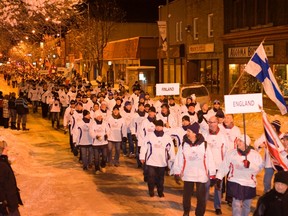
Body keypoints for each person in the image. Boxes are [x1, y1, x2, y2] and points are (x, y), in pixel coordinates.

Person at [172, 122, 216, 216]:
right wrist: (177, 172)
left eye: (189, 131)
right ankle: (186, 212)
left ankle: (199, 214)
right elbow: (179, 159)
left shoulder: (204, 145)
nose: (187, 132)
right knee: (186, 197)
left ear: (195, 133)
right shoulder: (183, 145)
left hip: (201, 175)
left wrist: (212, 175)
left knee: (201, 198)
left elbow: (210, 160)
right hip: (188, 175)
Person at [216, 134, 264, 216]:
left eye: (240, 141)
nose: (238, 142)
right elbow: (224, 166)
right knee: (236, 205)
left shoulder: (255, 155)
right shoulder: (231, 153)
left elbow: (259, 168)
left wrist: (250, 165)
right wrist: (219, 177)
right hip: (235, 181)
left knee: (246, 205)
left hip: (249, 183)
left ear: (246, 143)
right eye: (238, 140)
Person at [140, 120, 175, 197]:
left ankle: (160, 192)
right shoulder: (149, 136)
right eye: (157, 126)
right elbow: (144, 146)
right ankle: (151, 191)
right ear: (155, 127)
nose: (158, 127)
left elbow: (171, 149)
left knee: (160, 179)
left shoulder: (167, 137)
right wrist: (142, 156)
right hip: (151, 161)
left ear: (163, 127)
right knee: (151, 177)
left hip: (162, 162)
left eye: (160, 126)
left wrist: (172, 158)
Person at [203, 116, 228, 215]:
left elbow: (226, 151)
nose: (211, 124)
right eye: (209, 122)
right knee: (205, 186)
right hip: (208, 166)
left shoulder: (223, 136)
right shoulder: (204, 135)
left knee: (218, 188)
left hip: (219, 166)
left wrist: (225, 165)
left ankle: (217, 207)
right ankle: (203, 205)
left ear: (217, 123)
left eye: (213, 122)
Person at [254, 120, 284, 193]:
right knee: (267, 180)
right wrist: (261, 145)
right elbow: (256, 143)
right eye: (271, 126)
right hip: (269, 162)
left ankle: (277, 194)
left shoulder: (283, 136)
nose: (272, 128)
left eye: (274, 127)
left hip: (279, 163)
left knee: (279, 180)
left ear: (277, 128)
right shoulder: (266, 135)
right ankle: (267, 194)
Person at [0, 140, 23, 216]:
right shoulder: (2, 165)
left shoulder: (4, 162)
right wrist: (2, 203)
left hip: (10, 202)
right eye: (6, 149)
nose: (7, 151)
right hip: (8, 205)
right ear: (2, 150)